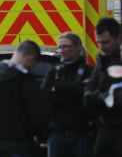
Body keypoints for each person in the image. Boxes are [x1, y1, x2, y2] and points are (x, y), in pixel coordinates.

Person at [0, 40, 50, 156]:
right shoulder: (26, 82)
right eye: (34, 65)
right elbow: (39, 115)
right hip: (20, 143)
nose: (33, 68)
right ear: (31, 58)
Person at [41, 32, 93, 157]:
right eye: (60, 47)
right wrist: (77, 89)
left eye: (65, 46)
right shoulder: (54, 71)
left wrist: (59, 88)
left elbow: (87, 97)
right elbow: (45, 96)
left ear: (78, 47)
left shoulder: (89, 71)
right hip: (57, 132)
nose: (61, 50)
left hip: (81, 133)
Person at [84, 17, 122, 156]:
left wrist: (101, 98)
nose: (101, 47)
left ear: (118, 38)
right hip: (105, 129)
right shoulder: (102, 62)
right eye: (98, 42)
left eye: (105, 42)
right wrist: (107, 97)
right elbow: (88, 96)